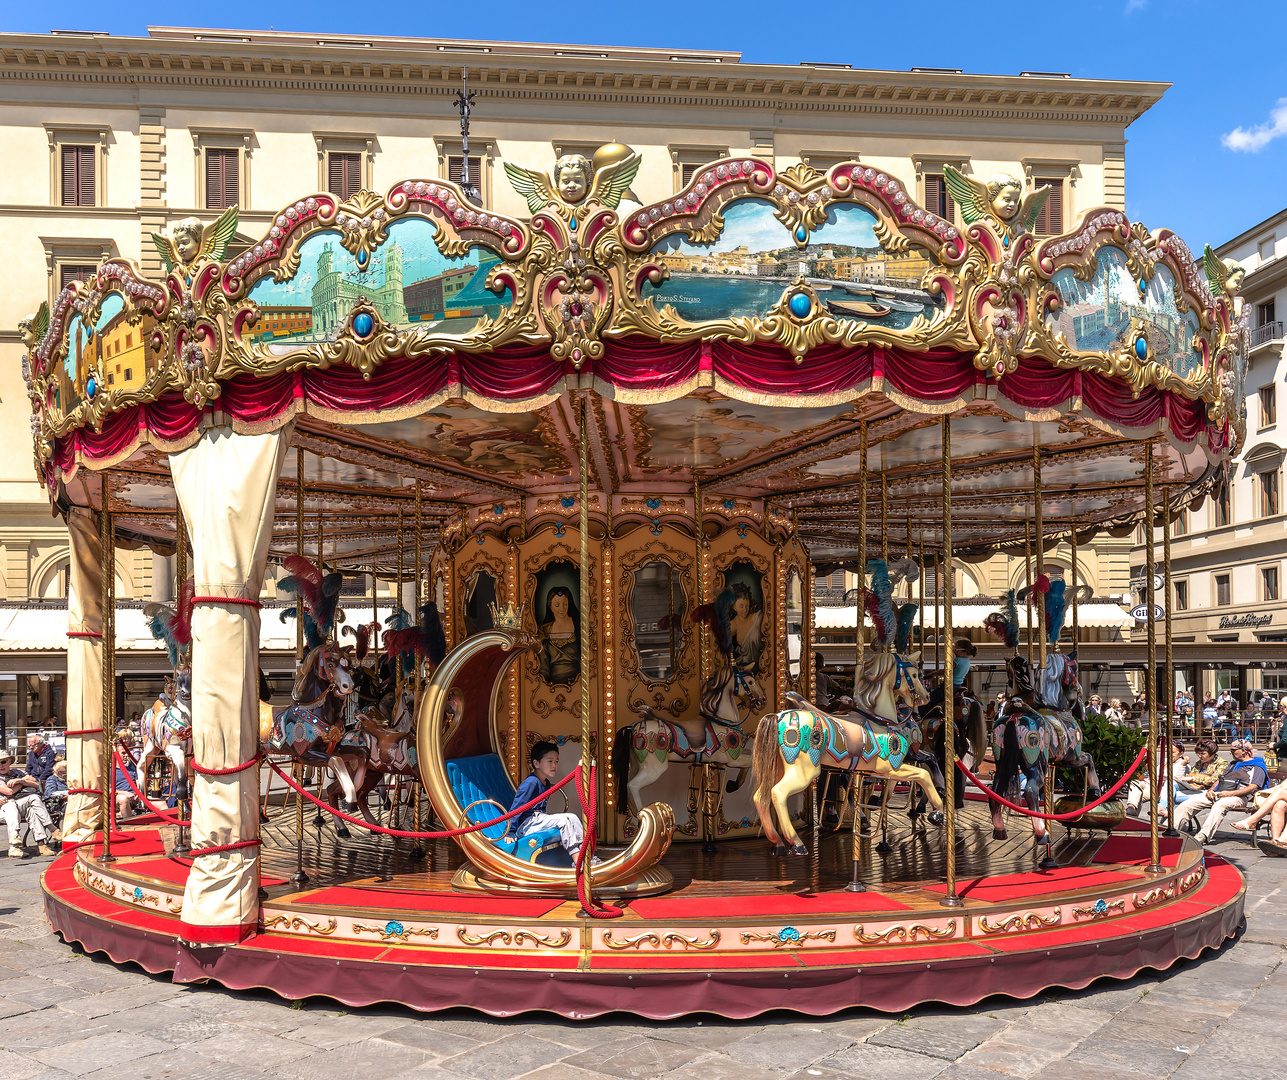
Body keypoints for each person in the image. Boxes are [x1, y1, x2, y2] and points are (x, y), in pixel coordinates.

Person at [509, 741, 596, 863]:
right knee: (567, 819)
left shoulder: (546, 783)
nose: (554, 765)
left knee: (574, 818)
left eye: (556, 761)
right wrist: (510, 832)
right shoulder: (531, 783)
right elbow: (516, 808)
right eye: (550, 761)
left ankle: (587, 855)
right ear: (536, 763)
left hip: (537, 820)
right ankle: (580, 861)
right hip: (527, 825)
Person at [1174, 739, 1267, 844]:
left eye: (1233, 750)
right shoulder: (1233, 764)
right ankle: (1172, 829)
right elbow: (1220, 778)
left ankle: (1203, 835)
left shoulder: (1257, 766)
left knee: (1220, 805)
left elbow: (1253, 787)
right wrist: (1211, 790)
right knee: (1188, 803)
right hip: (1220, 793)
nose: (1230, 752)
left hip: (1240, 797)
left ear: (1244, 751)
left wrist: (1230, 794)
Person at [0, 749, 57, 858]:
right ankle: (14, 844)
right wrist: (23, 782)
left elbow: (36, 784)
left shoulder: (17, 772)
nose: (0, 765)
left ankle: (42, 844)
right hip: (4, 809)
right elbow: (9, 791)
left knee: (32, 803)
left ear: (9, 762)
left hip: (19, 805)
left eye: (3, 762)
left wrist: (20, 780)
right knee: (11, 804)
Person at [537, 587, 580, 685]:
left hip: (578, 681)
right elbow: (544, 664)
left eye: (565, 604)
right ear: (550, 606)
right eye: (557, 605)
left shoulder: (579, 625)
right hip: (551, 684)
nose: (562, 609)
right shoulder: (544, 630)